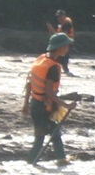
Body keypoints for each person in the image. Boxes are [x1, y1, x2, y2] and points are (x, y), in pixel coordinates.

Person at [26, 33, 73, 165]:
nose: (68, 48)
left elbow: (29, 84)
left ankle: (61, 160)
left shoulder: (41, 59)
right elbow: (49, 92)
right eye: (66, 46)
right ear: (60, 48)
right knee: (40, 138)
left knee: (55, 132)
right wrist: (67, 105)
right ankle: (31, 162)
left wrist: (26, 105)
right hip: (44, 106)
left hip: (35, 103)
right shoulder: (53, 67)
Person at [49, 9, 76, 75]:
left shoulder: (67, 23)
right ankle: (63, 70)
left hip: (66, 43)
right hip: (63, 43)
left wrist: (52, 31)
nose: (59, 18)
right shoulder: (63, 24)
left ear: (64, 16)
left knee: (63, 57)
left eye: (60, 16)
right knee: (60, 57)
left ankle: (65, 70)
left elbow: (63, 35)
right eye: (58, 17)